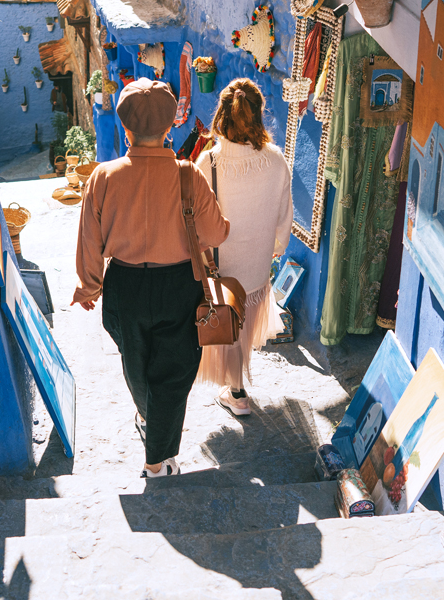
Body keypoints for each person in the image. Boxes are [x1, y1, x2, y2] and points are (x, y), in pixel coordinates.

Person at [73, 78, 229, 477]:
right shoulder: (188, 175)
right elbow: (215, 234)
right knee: (174, 374)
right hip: (179, 285)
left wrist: (89, 285)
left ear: (126, 130)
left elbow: (90, 239)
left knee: (136, 362)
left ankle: (148, 418)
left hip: (123, 287)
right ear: (170, 128)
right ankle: (157, 462)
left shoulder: (103, 178)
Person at [195, 77, 292, 417]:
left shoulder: (209, 163)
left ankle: (236, 393)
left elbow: (194, 216)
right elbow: (284, 216)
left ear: (221, 114)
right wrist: (277, 245)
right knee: (245, 324)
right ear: (258, 115)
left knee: (228, 323)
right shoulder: (277, 160)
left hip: (222, 266)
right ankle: (235, 387)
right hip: (256, 265)